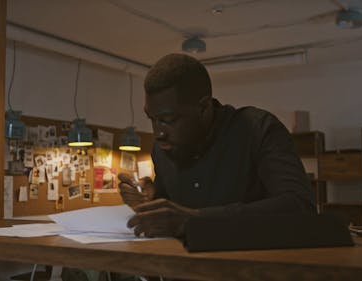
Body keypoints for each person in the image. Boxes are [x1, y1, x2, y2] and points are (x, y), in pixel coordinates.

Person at [118, 53, 315, 239]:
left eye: (168, 120)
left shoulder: (257, 129)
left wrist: (195, 220)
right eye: (152, 119)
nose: (158, 133)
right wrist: (149, 206)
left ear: (203, 107)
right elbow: (171, 217)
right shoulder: (162, 150)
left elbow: (299, 206)